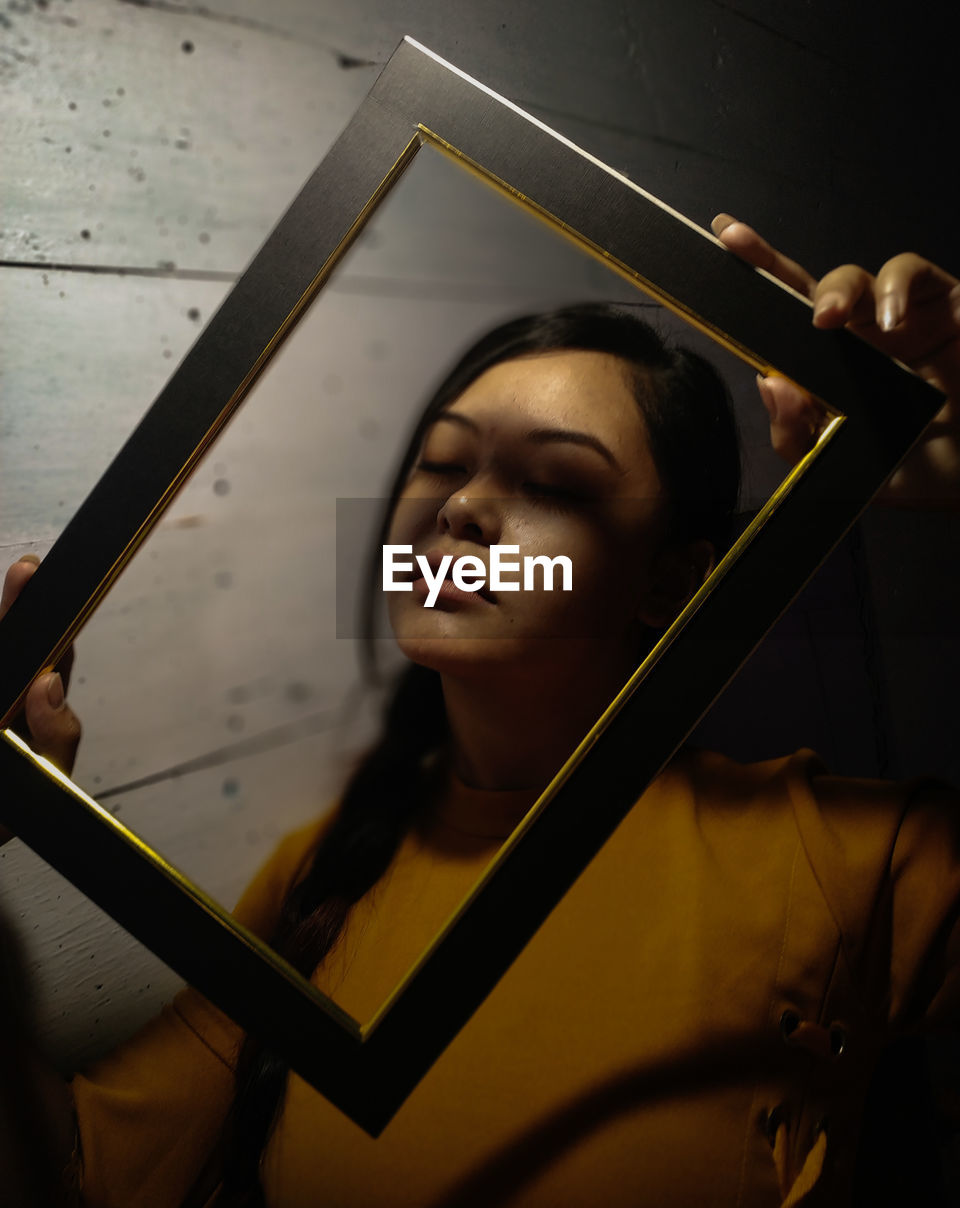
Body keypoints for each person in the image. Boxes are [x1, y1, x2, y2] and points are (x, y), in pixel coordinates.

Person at [2, 216, 959, 1208]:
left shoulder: (833, 850)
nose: (460, 508)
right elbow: (79, 1176)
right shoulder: (317, 872)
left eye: (552, 478)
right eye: (444, 461)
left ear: (673, 581)